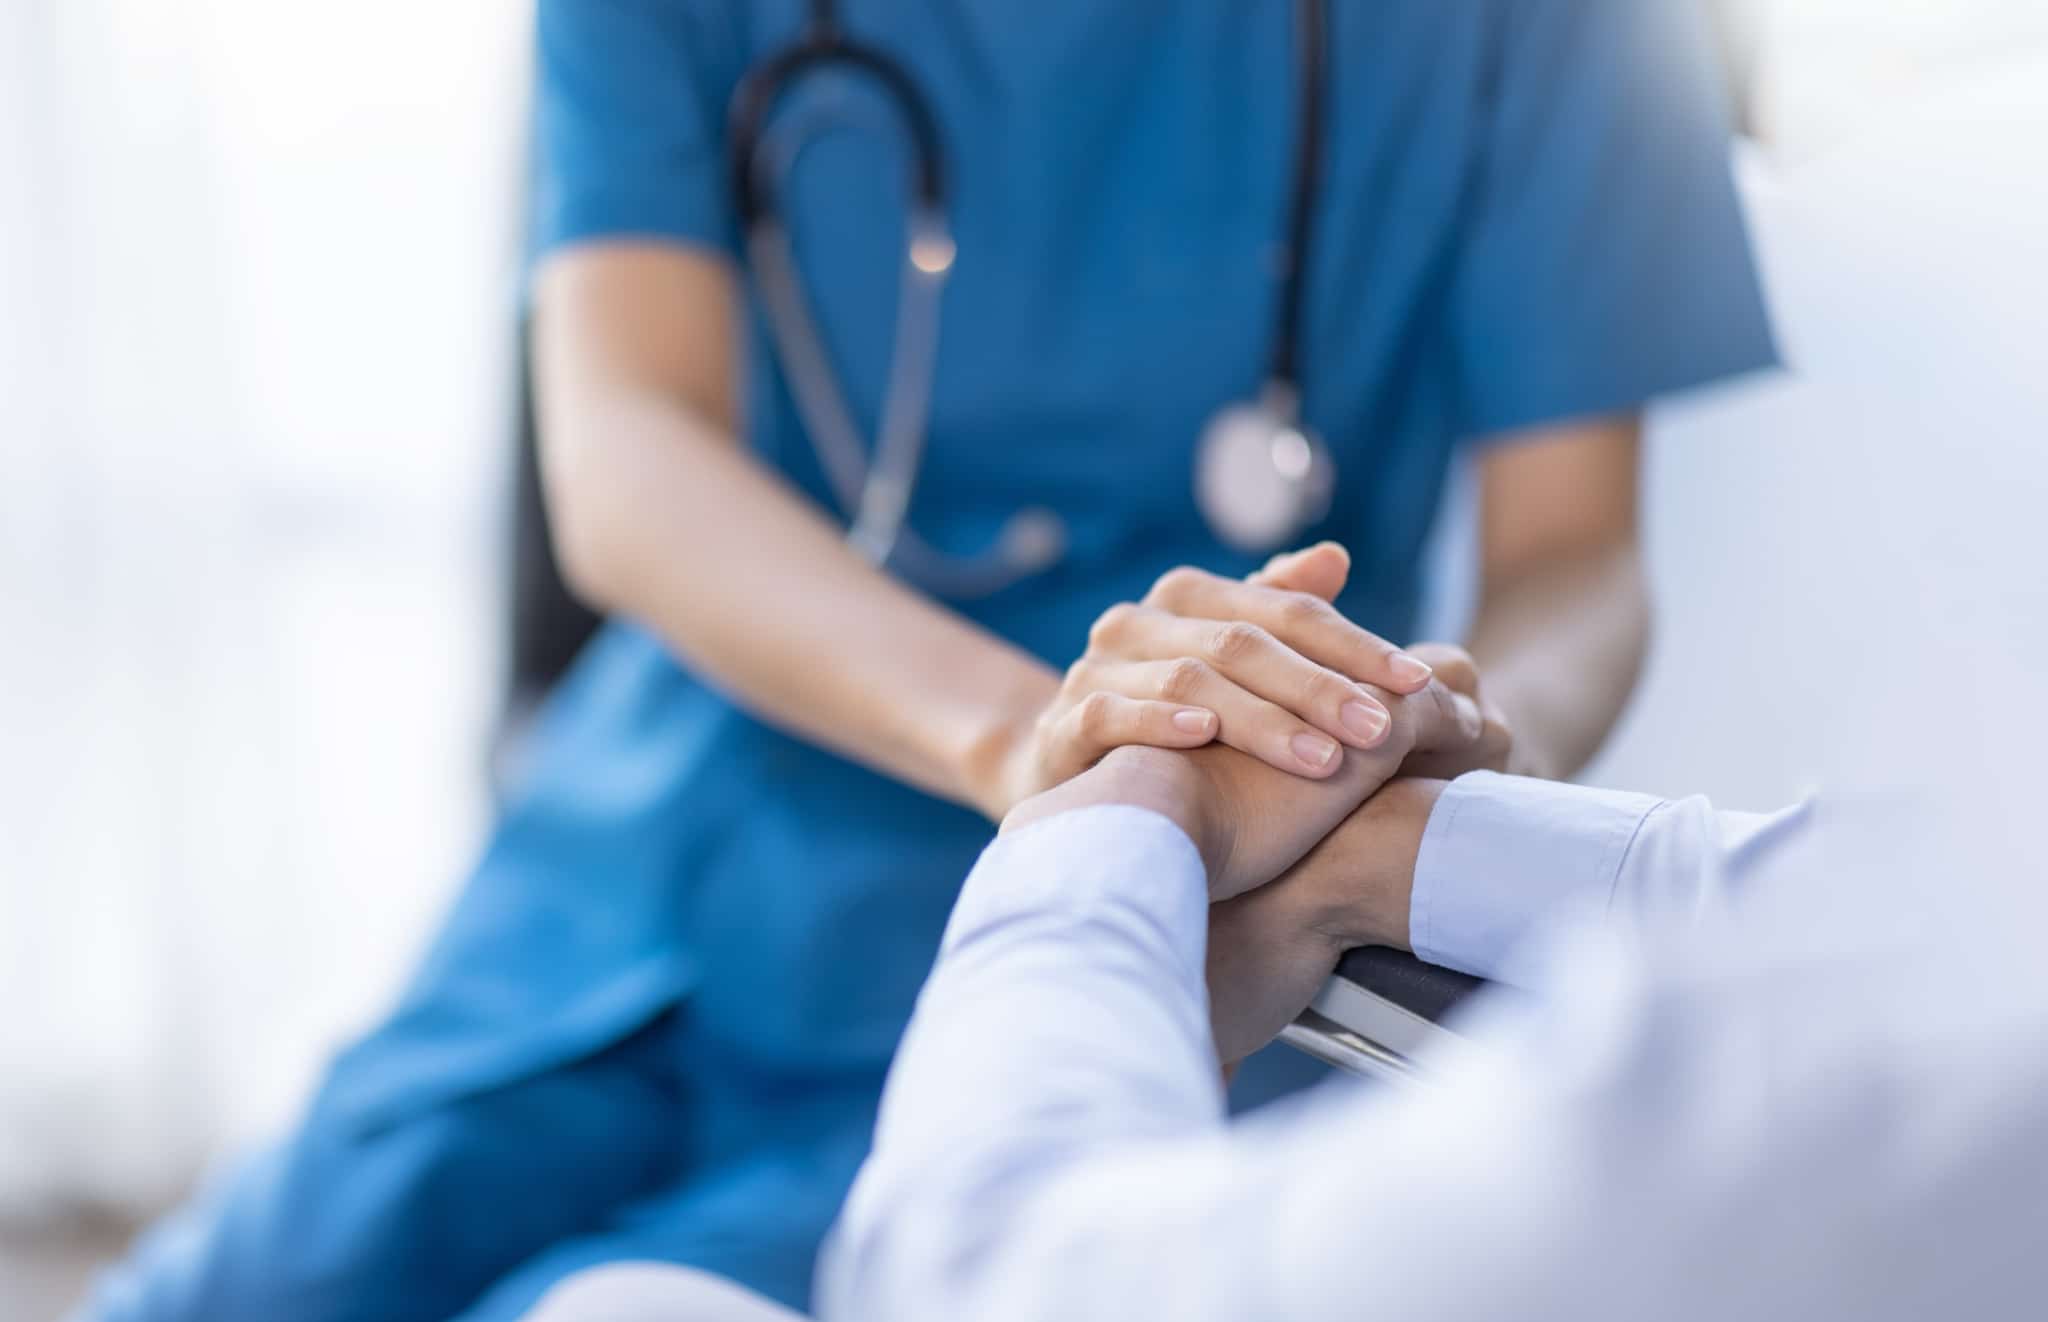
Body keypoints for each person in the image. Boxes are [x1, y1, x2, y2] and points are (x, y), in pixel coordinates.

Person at [79, 2, 1774, 1319]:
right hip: (683, 849)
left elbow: (1576, 560)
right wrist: (1043, 744)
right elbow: (627, 456)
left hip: (1195, 913)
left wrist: (1434, 753)